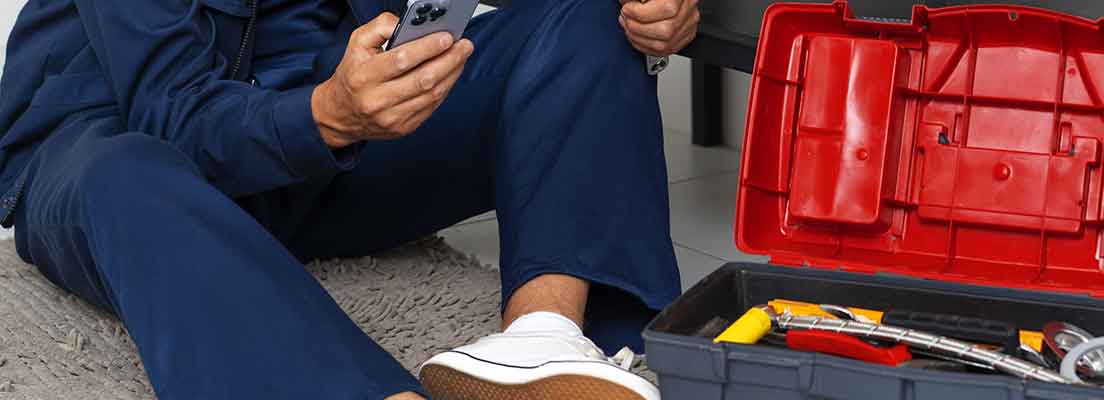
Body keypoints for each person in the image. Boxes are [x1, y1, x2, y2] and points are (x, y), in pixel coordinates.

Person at [0, 0, 698, 398]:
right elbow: (170, 115)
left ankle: (543, 339)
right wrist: (325, 116)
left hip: (325, 139)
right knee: (129, 172)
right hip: (119, 149)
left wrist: (651, 10)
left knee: (590, 19)